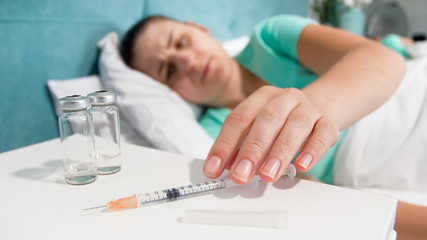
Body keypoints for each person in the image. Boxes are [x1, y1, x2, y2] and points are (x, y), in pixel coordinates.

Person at [120, 15, 426, 239]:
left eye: (181, 42)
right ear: (170, 93)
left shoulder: (270, 37)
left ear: (199, 27)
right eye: (169, 70)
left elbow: (381, 59)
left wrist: (312, 111)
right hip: (378, 166)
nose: (188, 61)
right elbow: (325, 197)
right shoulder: (219, 139)